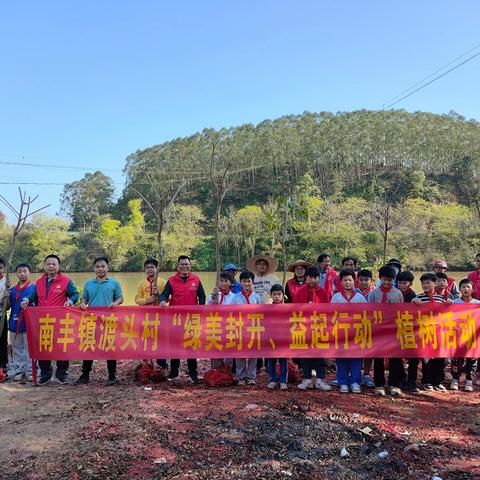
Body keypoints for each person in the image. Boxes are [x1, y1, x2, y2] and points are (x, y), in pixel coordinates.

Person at [21, 254, 79, 385]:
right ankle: (46, 375)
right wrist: (26, 299)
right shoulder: (39, 282)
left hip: (60, 322)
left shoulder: (66, 280)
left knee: (61, 348)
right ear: (44, 266)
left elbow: (75, 294)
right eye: (48, 264)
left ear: (58, 266)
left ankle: (61, 375)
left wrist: (70, 301)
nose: (51, 266)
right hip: (43, 322)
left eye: (54, 264)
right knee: (44, 348)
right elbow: (33, 296)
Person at [75, 257, 123, 386]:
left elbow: (120, 298)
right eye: (97, 267)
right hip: (92, 320)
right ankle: (85, 375)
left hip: (109, 320)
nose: (100, 269)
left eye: (103, 266)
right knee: (89, 346)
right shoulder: (88, 284)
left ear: (107, 268)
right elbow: (84, 299)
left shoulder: (114, 283)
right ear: (94, 269)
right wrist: (83, 304)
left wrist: (115, 303)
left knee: (110, 347)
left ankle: (112, 376)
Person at [160, 255, 206, 384]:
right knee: (175, 346)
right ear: (178, 266)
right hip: (176, 319)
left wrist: (200, 309)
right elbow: (164, 293)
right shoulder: (172, 280)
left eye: (186, 264)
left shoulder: (196, 280)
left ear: (190, 266)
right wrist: (163, 300)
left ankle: (193, 374)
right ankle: (174, 372)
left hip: (192, 319)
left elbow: (202, 296)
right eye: (182, 264)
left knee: (191, 346)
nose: (184, 266)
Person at [368, 265, 405, 396]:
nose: (387, 282)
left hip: (393, 330)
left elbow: (401, 312)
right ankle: (379, 384)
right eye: (384, 280)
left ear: (393, 280)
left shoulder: (397, 293)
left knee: (395, 358)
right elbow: (369, 312)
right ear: (380, 279)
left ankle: (394, 384)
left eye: (389, 280)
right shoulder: (373, 294)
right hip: (378, 330)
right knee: (378, 359)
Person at [294, 266, 331, 391]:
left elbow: (327, 310)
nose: (312, 280)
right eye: (310, 277)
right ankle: (307, 378)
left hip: (319, 327)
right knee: (305, 355)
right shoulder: (300, 291)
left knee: (319, 355)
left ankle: (320, 379)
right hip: (304, 327)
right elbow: (295, 309)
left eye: (315, 277)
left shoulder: (323, 292)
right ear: (306, 278)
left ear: (318, 278)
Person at [331, 268, 366, 394]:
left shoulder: (360, 298)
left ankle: (356, 382)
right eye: (345, 280)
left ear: (354, 281)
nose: (347, 283)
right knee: (341, 358)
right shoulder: (336, 297)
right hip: (341, 332)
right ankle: (343, 382)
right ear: (340, 282)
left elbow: (366, 315)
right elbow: (331, 315)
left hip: (356, 333)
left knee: (356, 358)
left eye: (350, 280)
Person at [412, 273, 447, 392]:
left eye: (428, 283)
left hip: (438, 332)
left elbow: (447, 313)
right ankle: (427, 381)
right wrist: (413, 301)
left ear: (435, 283)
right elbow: (411, 311)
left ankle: (438, 381)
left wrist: (449, 305)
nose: (425, 285)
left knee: (439, 358)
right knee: (426, 358)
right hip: (425, 332)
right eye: (423, 283)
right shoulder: (419, 298)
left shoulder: (441, 298)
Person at [3, 263, 35, 381]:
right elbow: (7, 307)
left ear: (29, 273)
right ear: (16, 274)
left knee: (29, 348)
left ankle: (31, 371)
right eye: (20, 271)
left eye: (25, 271)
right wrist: (4, 297)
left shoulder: (34, 288)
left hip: (29, 324)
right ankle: (19, 370)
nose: (22, 274)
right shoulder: (11, 290)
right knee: (16, 348)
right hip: (14, 323)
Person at [135, 258, 168, 370]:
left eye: (152, 267)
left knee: (160, 339)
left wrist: (158, 295)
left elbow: (168, 299)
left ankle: (162, 363)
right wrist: (147, 301)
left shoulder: (163, 282)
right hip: (145, 316)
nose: (150, 270)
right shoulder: (141, 283)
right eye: (147, 267)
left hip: (160, 316)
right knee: (146, 339)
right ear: (144, 269)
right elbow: (137, 299)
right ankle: (146, 362)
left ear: (157, 269)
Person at [230, 271, 261, 385]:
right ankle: (241, 376)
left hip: (253, 327)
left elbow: (260, 313)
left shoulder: (256, 297)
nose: (247, 283)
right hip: (240, 328)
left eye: (249, 281)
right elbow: (231, 313)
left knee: (253, 353)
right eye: (244, 281)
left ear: (252, 282)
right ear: (240, 282)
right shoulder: (235, 297)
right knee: (240, 352)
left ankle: (251, 376)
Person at [449, 278, 479, 392]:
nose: (466, 289)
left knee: (472, 358)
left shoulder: (477, 304)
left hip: (473, 336)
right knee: (456, 358)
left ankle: (469, 380)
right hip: (457, 336)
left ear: (472, 289)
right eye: (463, 287)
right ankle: (455, 379)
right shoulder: (455, 302)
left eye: (468, 287)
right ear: (460, 289)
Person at [396, 271, 420, 392]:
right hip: (396, 328)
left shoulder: (414, 296)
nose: (402, 285)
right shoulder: (394, 293)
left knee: (413, 357)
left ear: (410, 283)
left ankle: (412, 380)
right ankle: (401, 377)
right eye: (399, 282)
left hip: (411, 330)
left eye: (404, 283)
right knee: (397, 355)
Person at [208, 272, 235, 369]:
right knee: (216, 349)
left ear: (231, 283)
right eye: (221, 281)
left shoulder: (234, 296)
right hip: (216, 327)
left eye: (226, 281)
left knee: (229, 349)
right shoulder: (214, 295)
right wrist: (213, 298)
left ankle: (228, 371)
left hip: (229, 327)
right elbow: (208, 308)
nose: (223, 283)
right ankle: (216, 370)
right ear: (218, 283)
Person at [354, 269, 375, 388]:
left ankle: (366, 375)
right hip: (356, 326)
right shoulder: (353, 292)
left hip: (371, 326)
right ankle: (355, 374)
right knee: (356, 350)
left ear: (371, 281)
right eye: (361, 280)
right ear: (357, 280)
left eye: (366, 280)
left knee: (369, 351)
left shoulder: (375, 292)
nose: (364, 282)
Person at [267, 284, 288, 390]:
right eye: (274, 294)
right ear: (271, 295)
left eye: (279, 294)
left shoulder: (288, 308)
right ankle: (272, 379)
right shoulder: (267, 309)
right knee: (271, 360)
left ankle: (283, 380)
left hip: (283, 339)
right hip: (271, 339)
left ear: (283, 295)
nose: (276, 296)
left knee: (283, 360)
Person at [0, 257, 10, 373]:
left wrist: (6, 297)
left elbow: (8, 305)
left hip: (2, 316)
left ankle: (3, 364)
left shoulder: (6, 282)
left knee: (2, 340)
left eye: (1, 268)